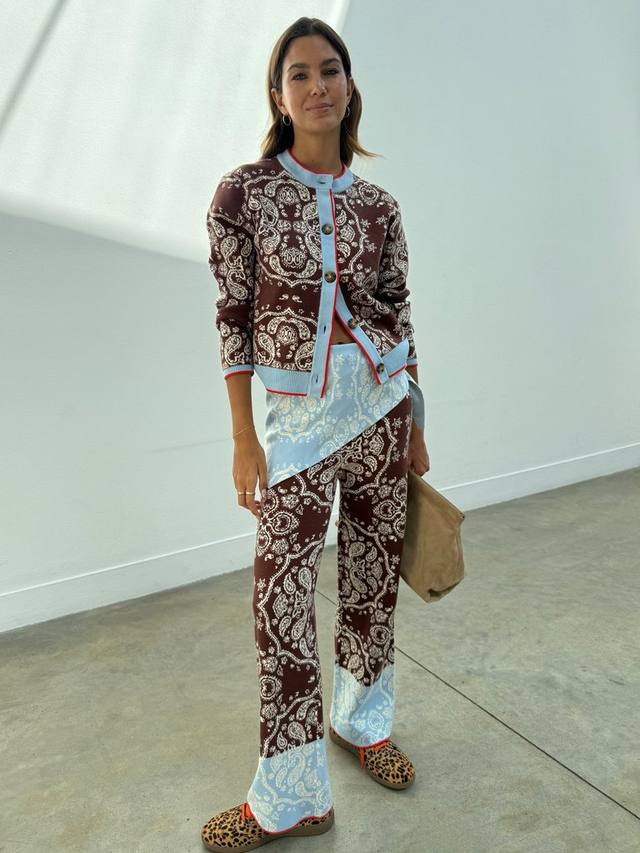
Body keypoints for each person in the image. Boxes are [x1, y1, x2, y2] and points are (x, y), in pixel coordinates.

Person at [200, 16, 430, 853]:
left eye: (329, 69)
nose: (317, 85)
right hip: (296, 423)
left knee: (371, 582)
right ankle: (290, 796)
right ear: (278, 95)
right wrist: (243, 437)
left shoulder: (380, 206)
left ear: (349, 84)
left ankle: (363, 723)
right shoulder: (243, 195)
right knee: (281, 602)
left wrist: (417, 421)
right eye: (298, 73)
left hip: (381, 410)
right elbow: (232, 318)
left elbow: (400, 314)